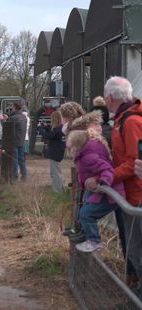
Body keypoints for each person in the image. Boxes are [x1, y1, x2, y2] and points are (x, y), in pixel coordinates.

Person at [85, 76, 142, 294]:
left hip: (136, 196)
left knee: (136, 249)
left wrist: (103, 178)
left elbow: (133, 162)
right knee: (132, 247)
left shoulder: (131, 122)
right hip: (129, 194)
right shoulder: (123, 120)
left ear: (109, 97)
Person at [67, 128, 125, 252]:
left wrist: (103, 183)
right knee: (85, 209)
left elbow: (108, 169)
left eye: (69, 148)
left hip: (109, 193)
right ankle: (82, 233)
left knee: (86, 213)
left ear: (76, 147)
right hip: (99, 192)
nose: (68, 151)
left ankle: (94, 240)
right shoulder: (84, 155)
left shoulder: (89, 157)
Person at [37, 110, 66, 193]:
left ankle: (57, 191)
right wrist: (45, 127)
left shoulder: (57, 129)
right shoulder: (61, 128)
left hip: (55, 152)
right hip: (59, 152)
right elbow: (51, 133)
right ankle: (61, 188)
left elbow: (48, 136)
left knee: (55, 173)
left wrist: (40, 128)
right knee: (58, 172)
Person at [6, 101, 27, 181]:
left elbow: (6, 128)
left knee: (14, 160)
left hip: (14, 141)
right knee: (21, 159)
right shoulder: (23, 117)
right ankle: (24, 175)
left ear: (14, 107)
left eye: (12, 106)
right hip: (21, 140)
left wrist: (4, 120)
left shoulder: (13, 118)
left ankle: (14, 177)